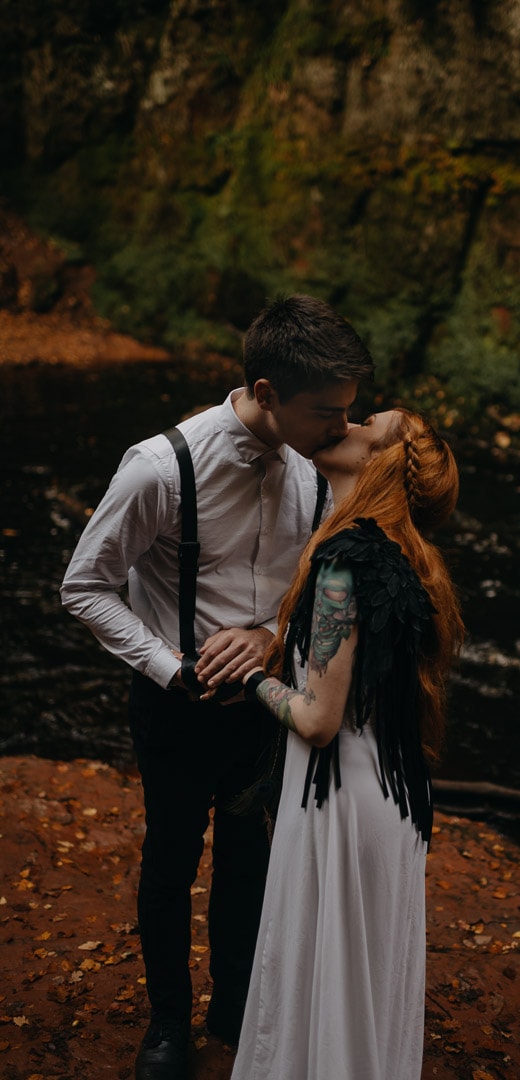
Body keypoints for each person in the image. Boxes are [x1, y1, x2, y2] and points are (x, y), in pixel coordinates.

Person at [59, 294, 374, 1080]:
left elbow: (311, 582)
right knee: (169, 862)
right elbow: (85, 586)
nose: (342, 427)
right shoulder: (161, 467)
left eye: (349, 409)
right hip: (175, 705)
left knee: (248, 860)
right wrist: (173, 666)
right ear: (266, 393)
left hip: (268, 708)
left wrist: (271, 634)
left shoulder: (316, 466)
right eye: (324, 411)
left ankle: (234, 1009)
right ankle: (167, 1023)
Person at [227, 408, 465, 1080]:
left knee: (321, 986)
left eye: (368, 423)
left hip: (338, 803)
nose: (349, 421)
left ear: (380, 461)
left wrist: (251, 677)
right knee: (357, 996)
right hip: (391, 802)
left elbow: (316, 720)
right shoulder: (407, 563)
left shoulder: (342, 562)